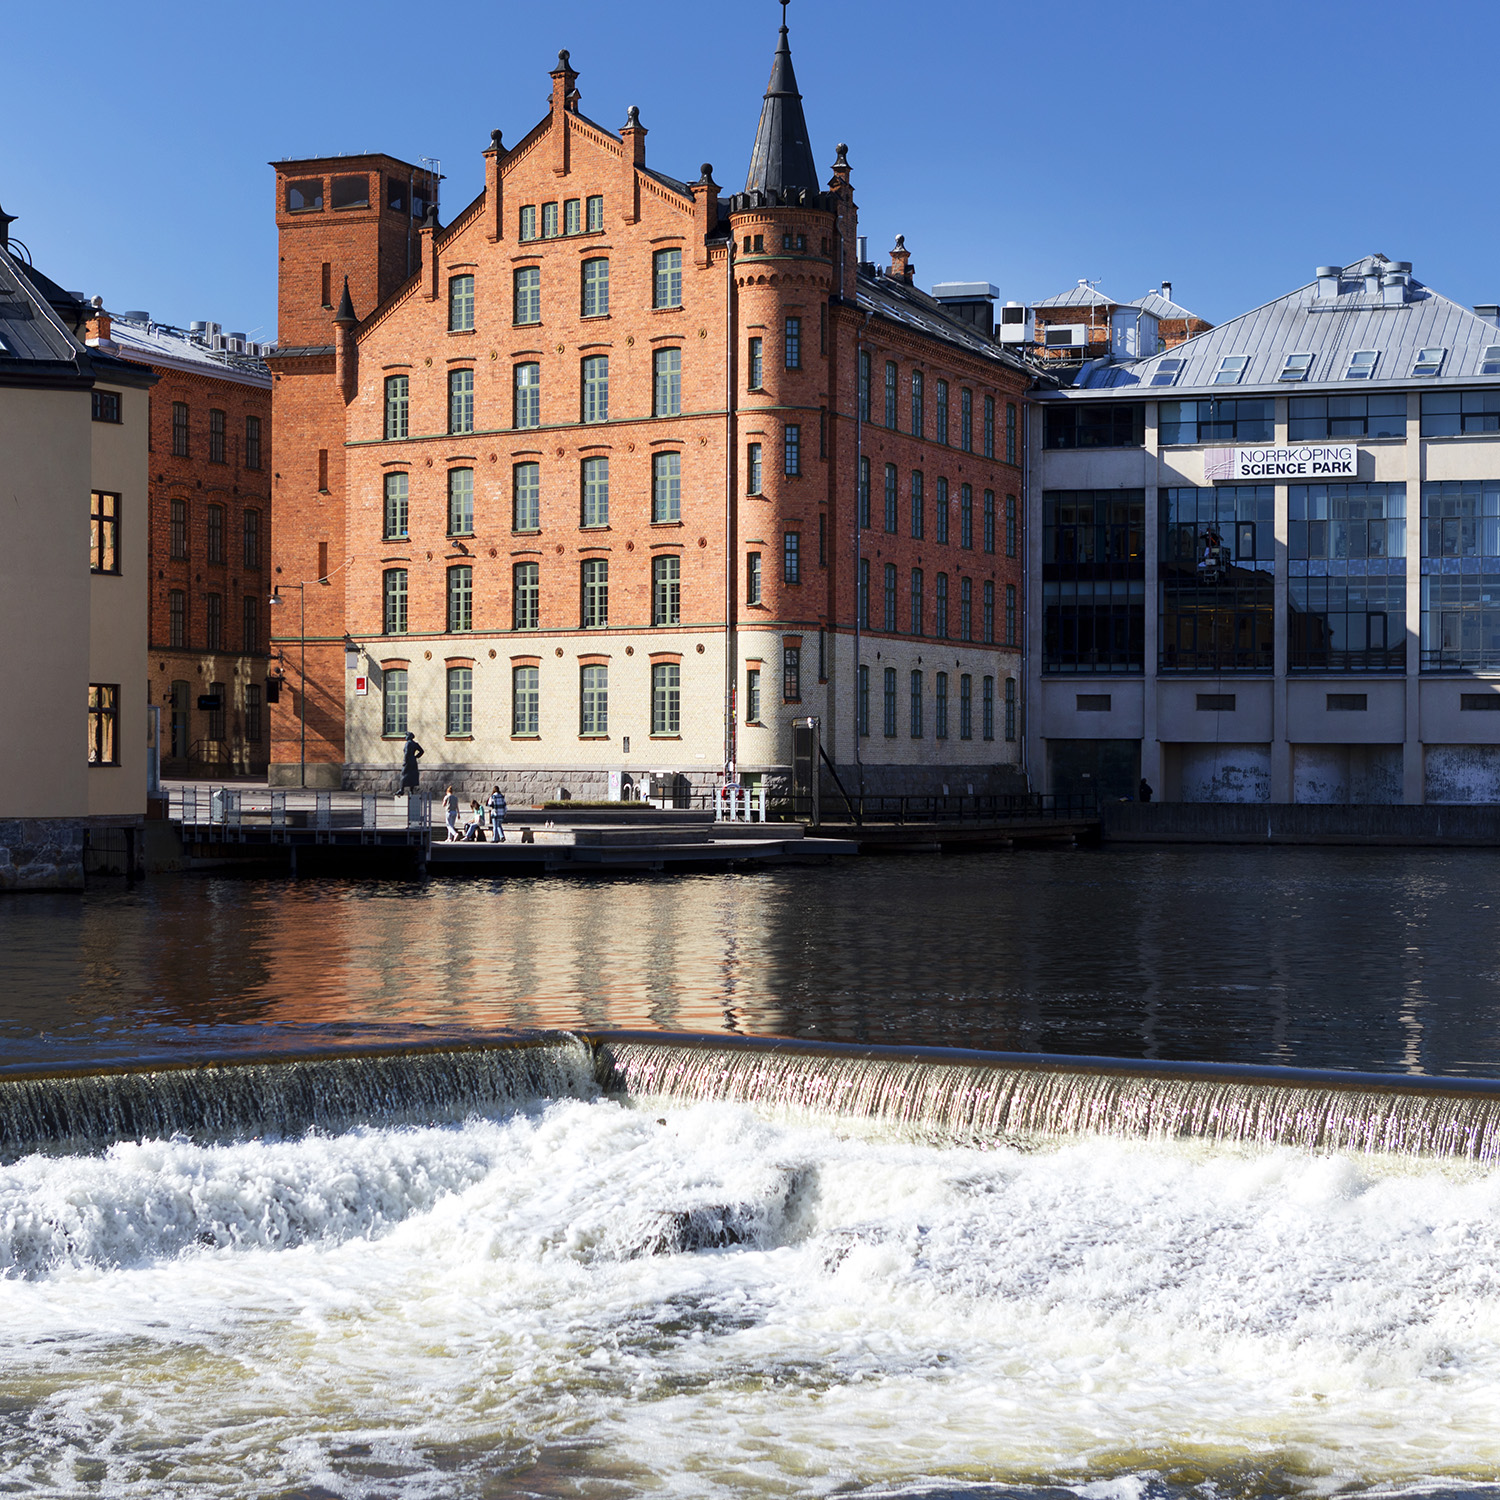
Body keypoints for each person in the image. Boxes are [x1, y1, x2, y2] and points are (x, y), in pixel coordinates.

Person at [398, 732, 424, 797]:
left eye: (406, 736)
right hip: (413, 761)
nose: (405, 737)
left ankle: (401, 790)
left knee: (403, 774)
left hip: (408, 760)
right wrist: (415, 757)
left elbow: (406, 753)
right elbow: (422, 751)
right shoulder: (415, 744)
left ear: (409, 736)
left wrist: (405, 761)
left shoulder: (408, 743)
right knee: (412, 775)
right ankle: (411, 791)